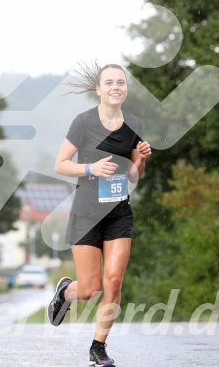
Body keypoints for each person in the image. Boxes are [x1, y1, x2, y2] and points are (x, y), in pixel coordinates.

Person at [47, 62, 151, 367]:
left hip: (119, 212)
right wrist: (90, 168)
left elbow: (133, 175)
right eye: (109, 83)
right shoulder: (83, 122)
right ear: (99, 89)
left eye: (120, 82)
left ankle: (98, 347)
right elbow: (61, 164)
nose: (115, 87)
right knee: (90, 287)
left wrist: (141, 159)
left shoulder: (134, 125)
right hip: (86, 213)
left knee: (114, 281)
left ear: (125, 89)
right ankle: (66, 291)